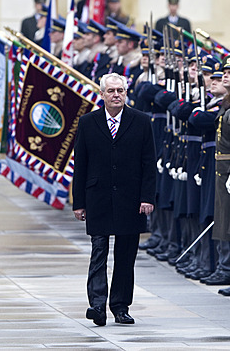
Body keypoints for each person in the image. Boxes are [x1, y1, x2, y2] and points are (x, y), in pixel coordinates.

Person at [72, 73, 156, 326]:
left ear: (126, 93)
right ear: (102, 95)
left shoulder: (140, 121)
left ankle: (120, 306)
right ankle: (97, 305)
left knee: (125, 254)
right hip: (98, 197)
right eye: (111, 91)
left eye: (120, 90)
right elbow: (81, 164)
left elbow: (149, 163)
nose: (116, 95)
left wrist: (147, 197)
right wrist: (79, 202)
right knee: (98, 251)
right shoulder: (88, 122)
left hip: (130, 199)